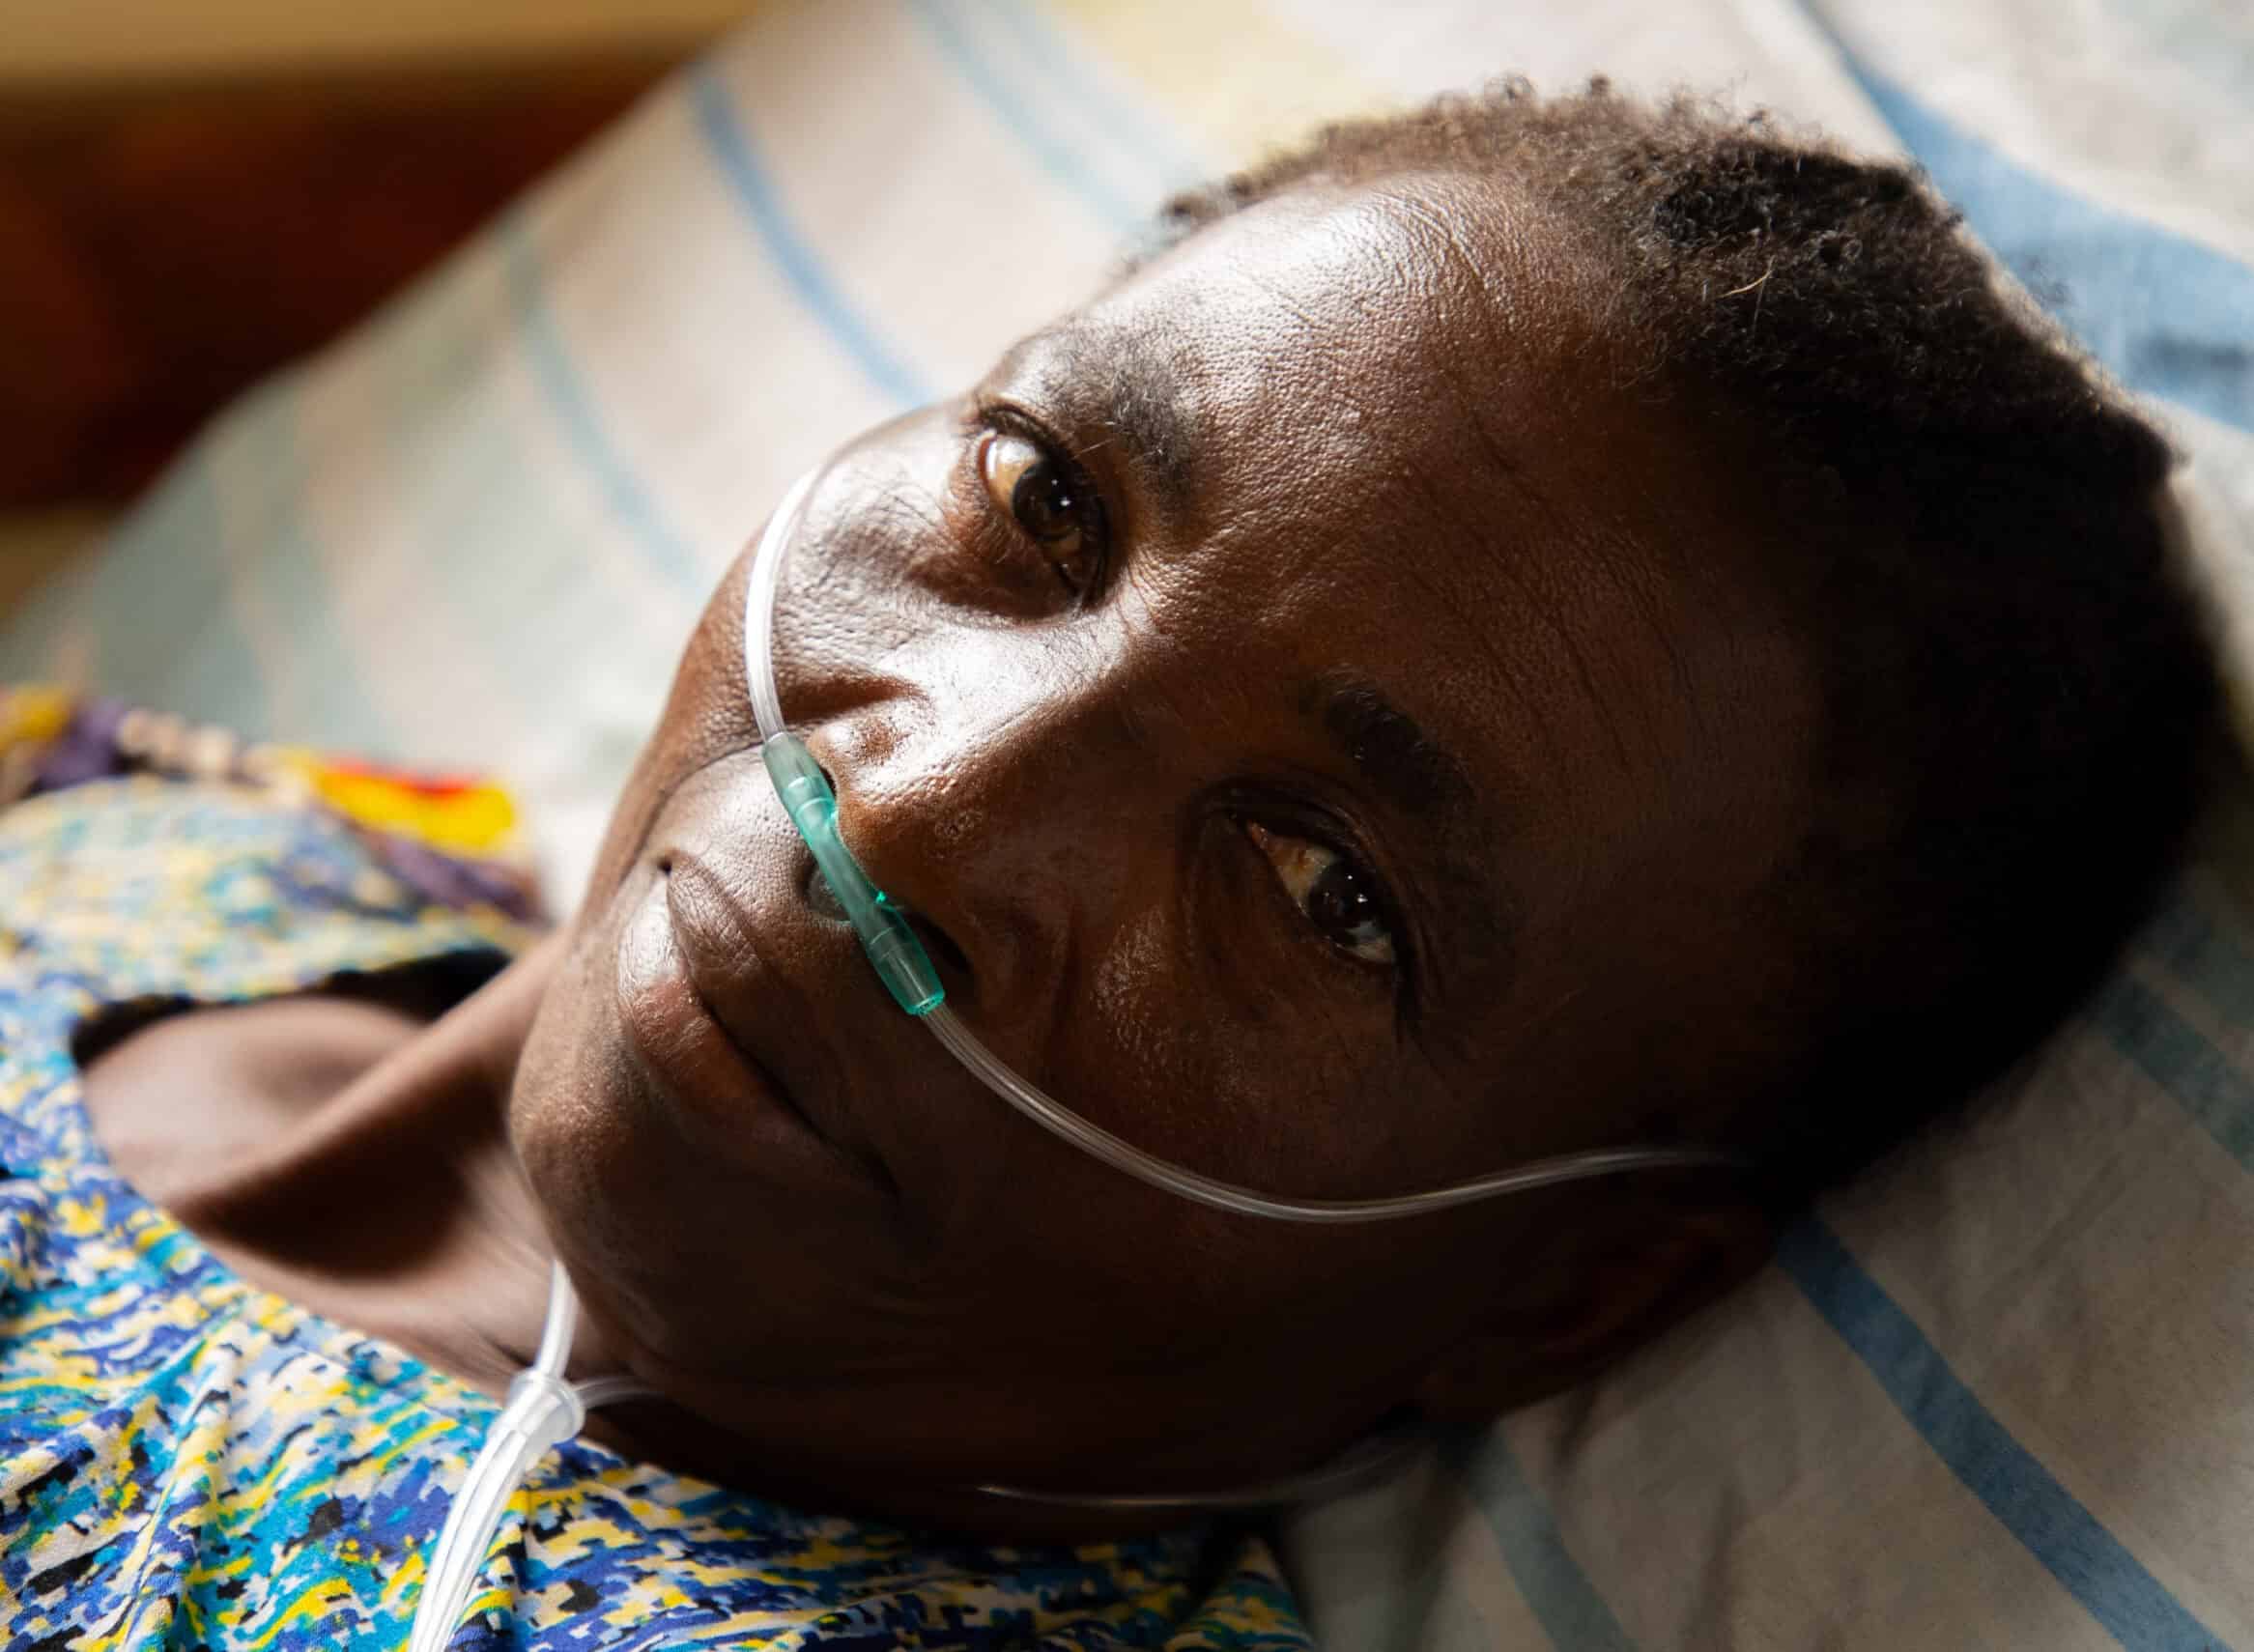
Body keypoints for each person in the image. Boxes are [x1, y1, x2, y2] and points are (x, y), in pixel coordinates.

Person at [0, 78, 2215, 1646]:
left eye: (1318, 886)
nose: (909, 818)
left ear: (1563, 1294)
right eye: (1044, 504)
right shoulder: (242, 850)